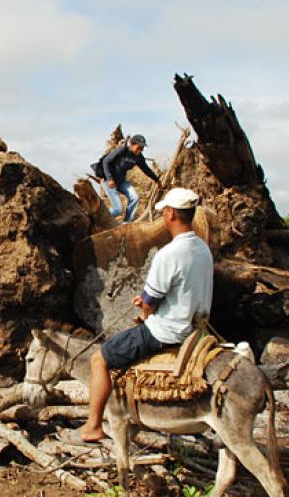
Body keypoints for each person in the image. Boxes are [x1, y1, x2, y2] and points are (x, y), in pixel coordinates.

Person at [77, 188, 213, 443]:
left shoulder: (169, 254)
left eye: (163, 212)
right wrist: (149, 300)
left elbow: (149, 303)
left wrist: (144, 309)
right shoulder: (202, 248)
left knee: (100, 359)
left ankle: (92, 426)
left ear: (171, 213)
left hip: (167, 331)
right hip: (196, 328)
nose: (162, 215)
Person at [93, 134, 161, 222]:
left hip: (121, 181)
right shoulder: (122, 150)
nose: (141, 150)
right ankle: (97, 220)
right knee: (118, 209)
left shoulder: (139, 157)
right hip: (110, 181)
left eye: (142, 148)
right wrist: (109, 178)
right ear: (132, 144)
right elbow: (106, 161)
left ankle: (126, 223)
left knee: (135, 198)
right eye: (139, 147)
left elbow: (146, 169)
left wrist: (157, 180)